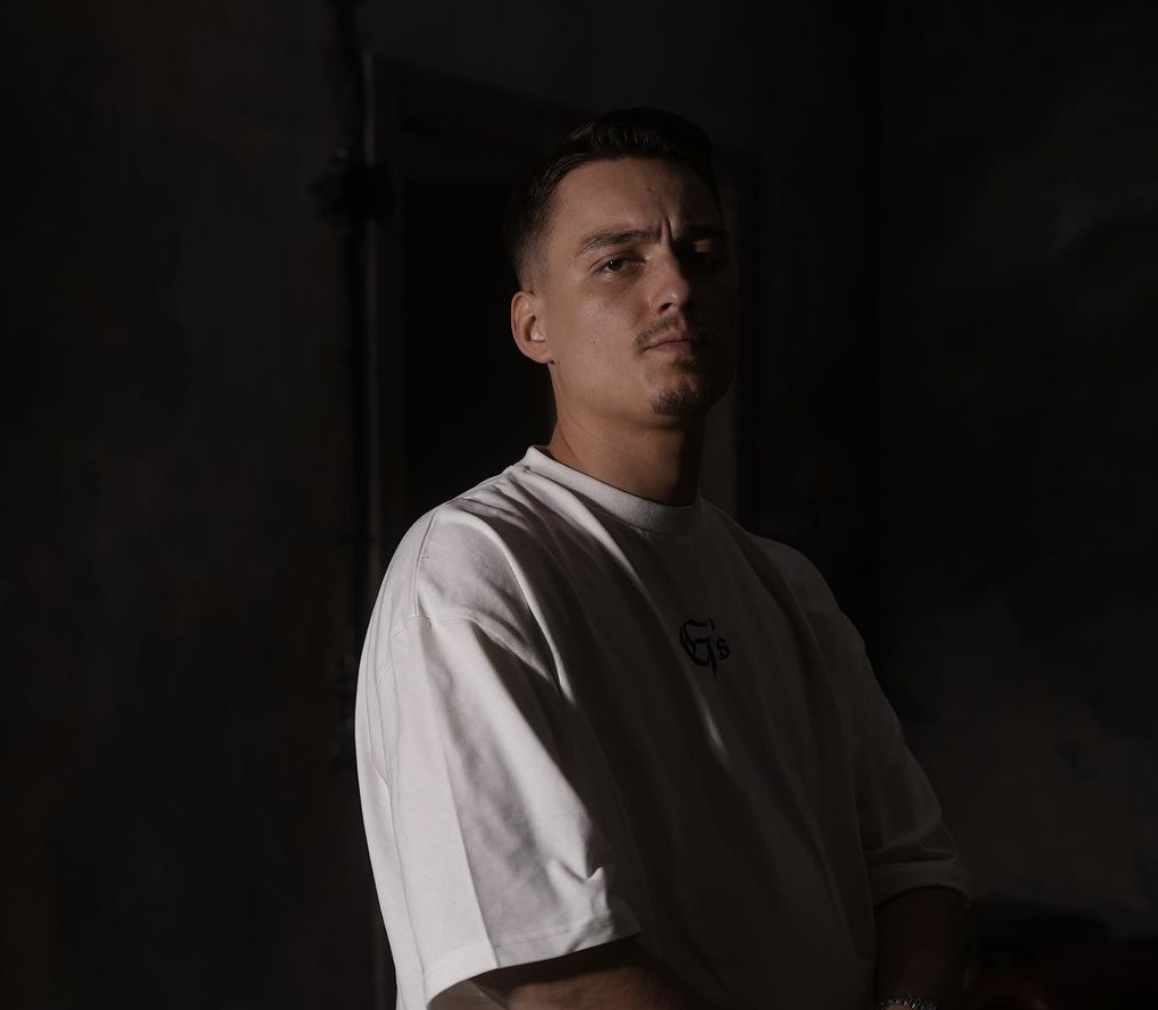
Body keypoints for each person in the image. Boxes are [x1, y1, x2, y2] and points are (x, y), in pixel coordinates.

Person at [355, 107, 970, 1010]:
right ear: (533, 326)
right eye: (619, 261)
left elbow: (915, 872)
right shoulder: (475, 569)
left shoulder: (785, 586)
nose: (677, 286)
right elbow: (556, 981)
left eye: (703, 254)